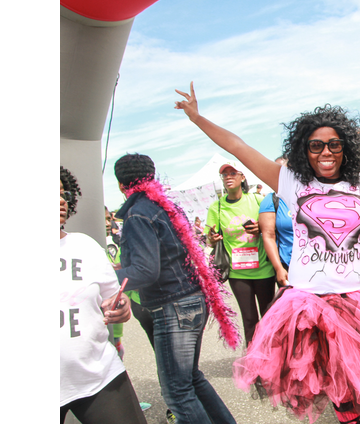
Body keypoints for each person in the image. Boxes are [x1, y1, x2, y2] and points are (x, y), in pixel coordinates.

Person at [174, 55, 360, 423]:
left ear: (346, 148)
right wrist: (198, 119)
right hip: (310, 308)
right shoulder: (292, 184)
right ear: (303, 151)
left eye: (334, 144)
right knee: (339, 393)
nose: (326, 152)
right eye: (316, 145)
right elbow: (239, 147)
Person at [112, 153, 239, 424]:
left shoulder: (137, 214)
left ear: (122, 186)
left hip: (173, 307)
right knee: (192, 378)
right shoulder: (163, 206)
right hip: (192, 300)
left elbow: (145, 270)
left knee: (177, 392)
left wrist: (107, 276)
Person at [60, 166, 146, 424]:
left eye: (62, 193)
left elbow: (114, 297)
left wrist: (122, 305)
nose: (60, 200)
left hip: (99, 375)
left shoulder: (84, 245)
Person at [206, 161, 277, 347]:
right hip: (238, 273)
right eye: (225, 175)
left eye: (232, 173)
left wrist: (260, 229)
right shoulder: (217, 207)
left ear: (242, 177)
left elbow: (272, 228)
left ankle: (274, 358)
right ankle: (255, 363)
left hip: (264, 268)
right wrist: (212, 238)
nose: (228, 177)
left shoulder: (257, 200)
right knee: (249, 319)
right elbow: (209, 238)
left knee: (269, 316)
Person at [258, 157, 293, 287]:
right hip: (289, 266)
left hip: (317, 264)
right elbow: (268, 236)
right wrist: (279, 268)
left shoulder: (307, 194)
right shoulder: (271, 200)